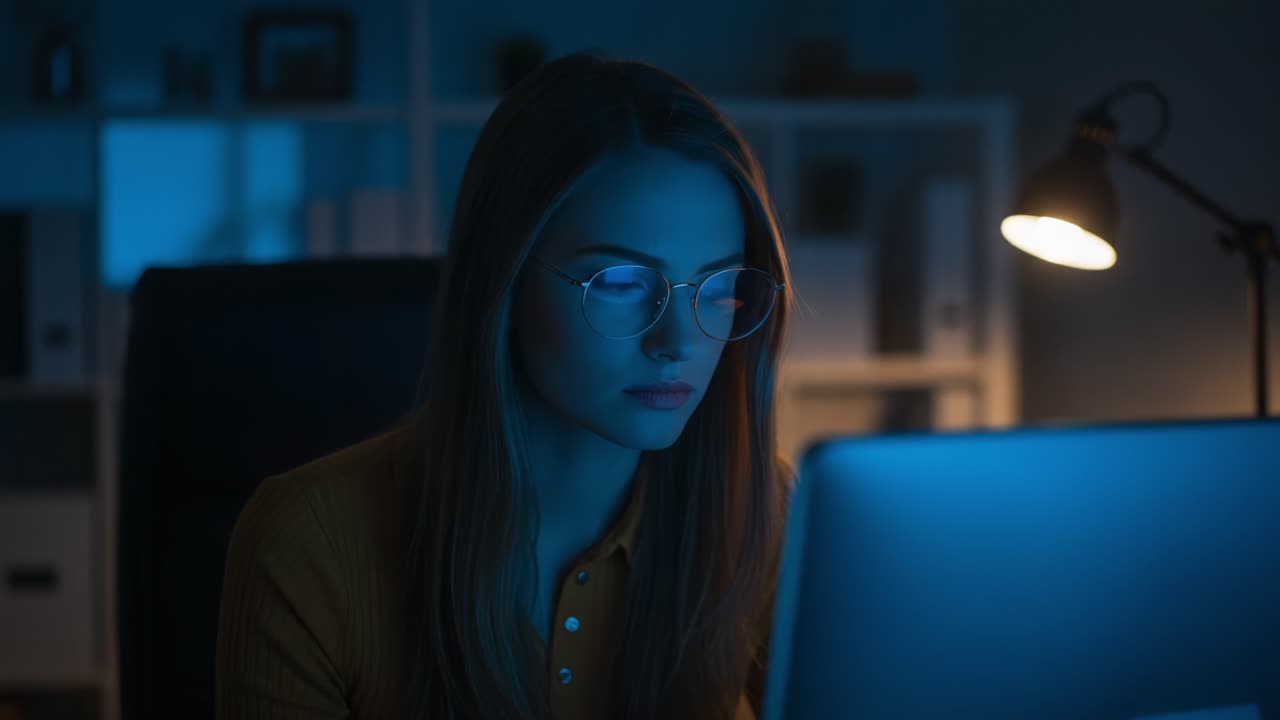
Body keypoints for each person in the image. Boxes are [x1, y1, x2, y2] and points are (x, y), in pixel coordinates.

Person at [215, 51, 796, 720]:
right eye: (622, 284)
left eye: (719, 287)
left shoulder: (768, 517)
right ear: (506, 280)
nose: (679, 342)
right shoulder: (310, 542)